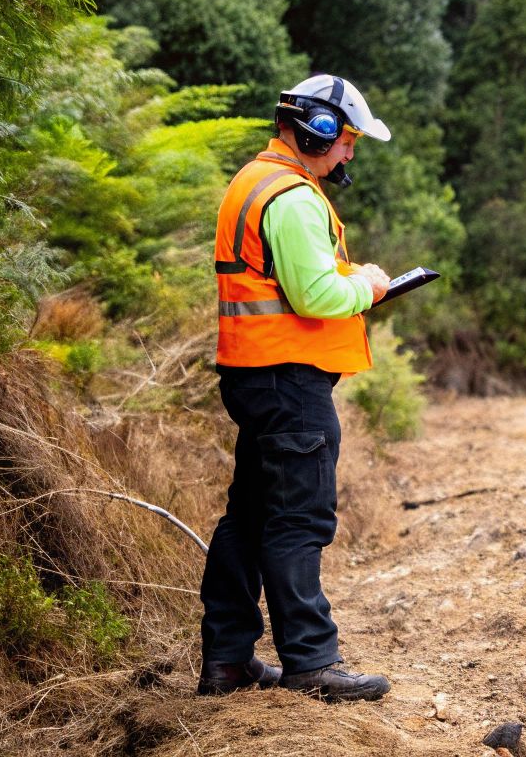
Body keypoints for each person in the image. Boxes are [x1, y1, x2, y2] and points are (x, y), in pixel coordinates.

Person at [197, 73, 396, 702]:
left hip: (256, 375)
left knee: (250, 518)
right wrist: (371, 284)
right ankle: (312, 662)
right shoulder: (293, 197)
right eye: (346, 140)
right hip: (289, 383)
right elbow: (314, 295)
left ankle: (227, 662)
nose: (349, 153)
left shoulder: (254, 181)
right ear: (317, 129)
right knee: (298, 520)